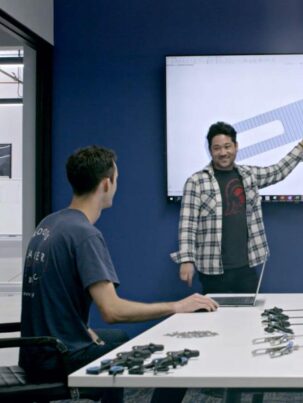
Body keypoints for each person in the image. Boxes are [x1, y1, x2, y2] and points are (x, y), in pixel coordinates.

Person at [19, 145, 218, 403]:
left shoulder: (50, 223)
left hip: (37, 350)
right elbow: (112, 311)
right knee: (173, 351)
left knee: (118, 340)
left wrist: (80, 329)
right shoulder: (84, 235)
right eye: (117, 180)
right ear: (106, 183)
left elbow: (54, 297)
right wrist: (177, 306)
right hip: (58, 358)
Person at [171, 121, 303, 293]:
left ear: (236, 146)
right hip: (213, 270)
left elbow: (278, 171)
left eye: (227, 146)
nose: (223, 153)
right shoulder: (196, 182)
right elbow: (187, 225)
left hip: (246, 267)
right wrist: (186, 260)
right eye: (217, 148)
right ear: (210, 150)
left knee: (249, 319)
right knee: (215, 319)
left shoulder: (249, 175)